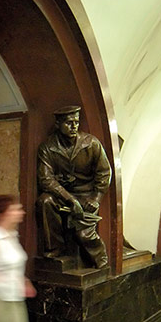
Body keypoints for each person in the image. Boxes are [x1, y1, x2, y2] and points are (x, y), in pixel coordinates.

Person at [36, 105, 112, 268]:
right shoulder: (48, 147)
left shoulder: (91, 143)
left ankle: (100, 257)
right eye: (68, 123)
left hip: (86, 195)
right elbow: (45, 178)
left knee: (84, 233)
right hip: (63, 195)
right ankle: (55, 248)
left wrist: (96, 198)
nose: (74, 126)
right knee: (45, 201)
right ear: (58, 124)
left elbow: (104, 172)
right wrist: (69, 199)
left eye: (76, 122)